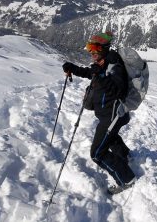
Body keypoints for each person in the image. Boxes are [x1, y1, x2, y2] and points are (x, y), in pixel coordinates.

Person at [62, 31, 136, 194]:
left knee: (97, 153)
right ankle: (125, 156)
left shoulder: (114, 66)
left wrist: (100, 75)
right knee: (111, 138)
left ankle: (126, 179)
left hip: (113, 116)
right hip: (109, 115)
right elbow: (92, 74)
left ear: (104, 48)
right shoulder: (104, 62)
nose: (90, 51)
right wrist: (73, 68)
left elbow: (118, 90)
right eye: (89, 47)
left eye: (94, 47)